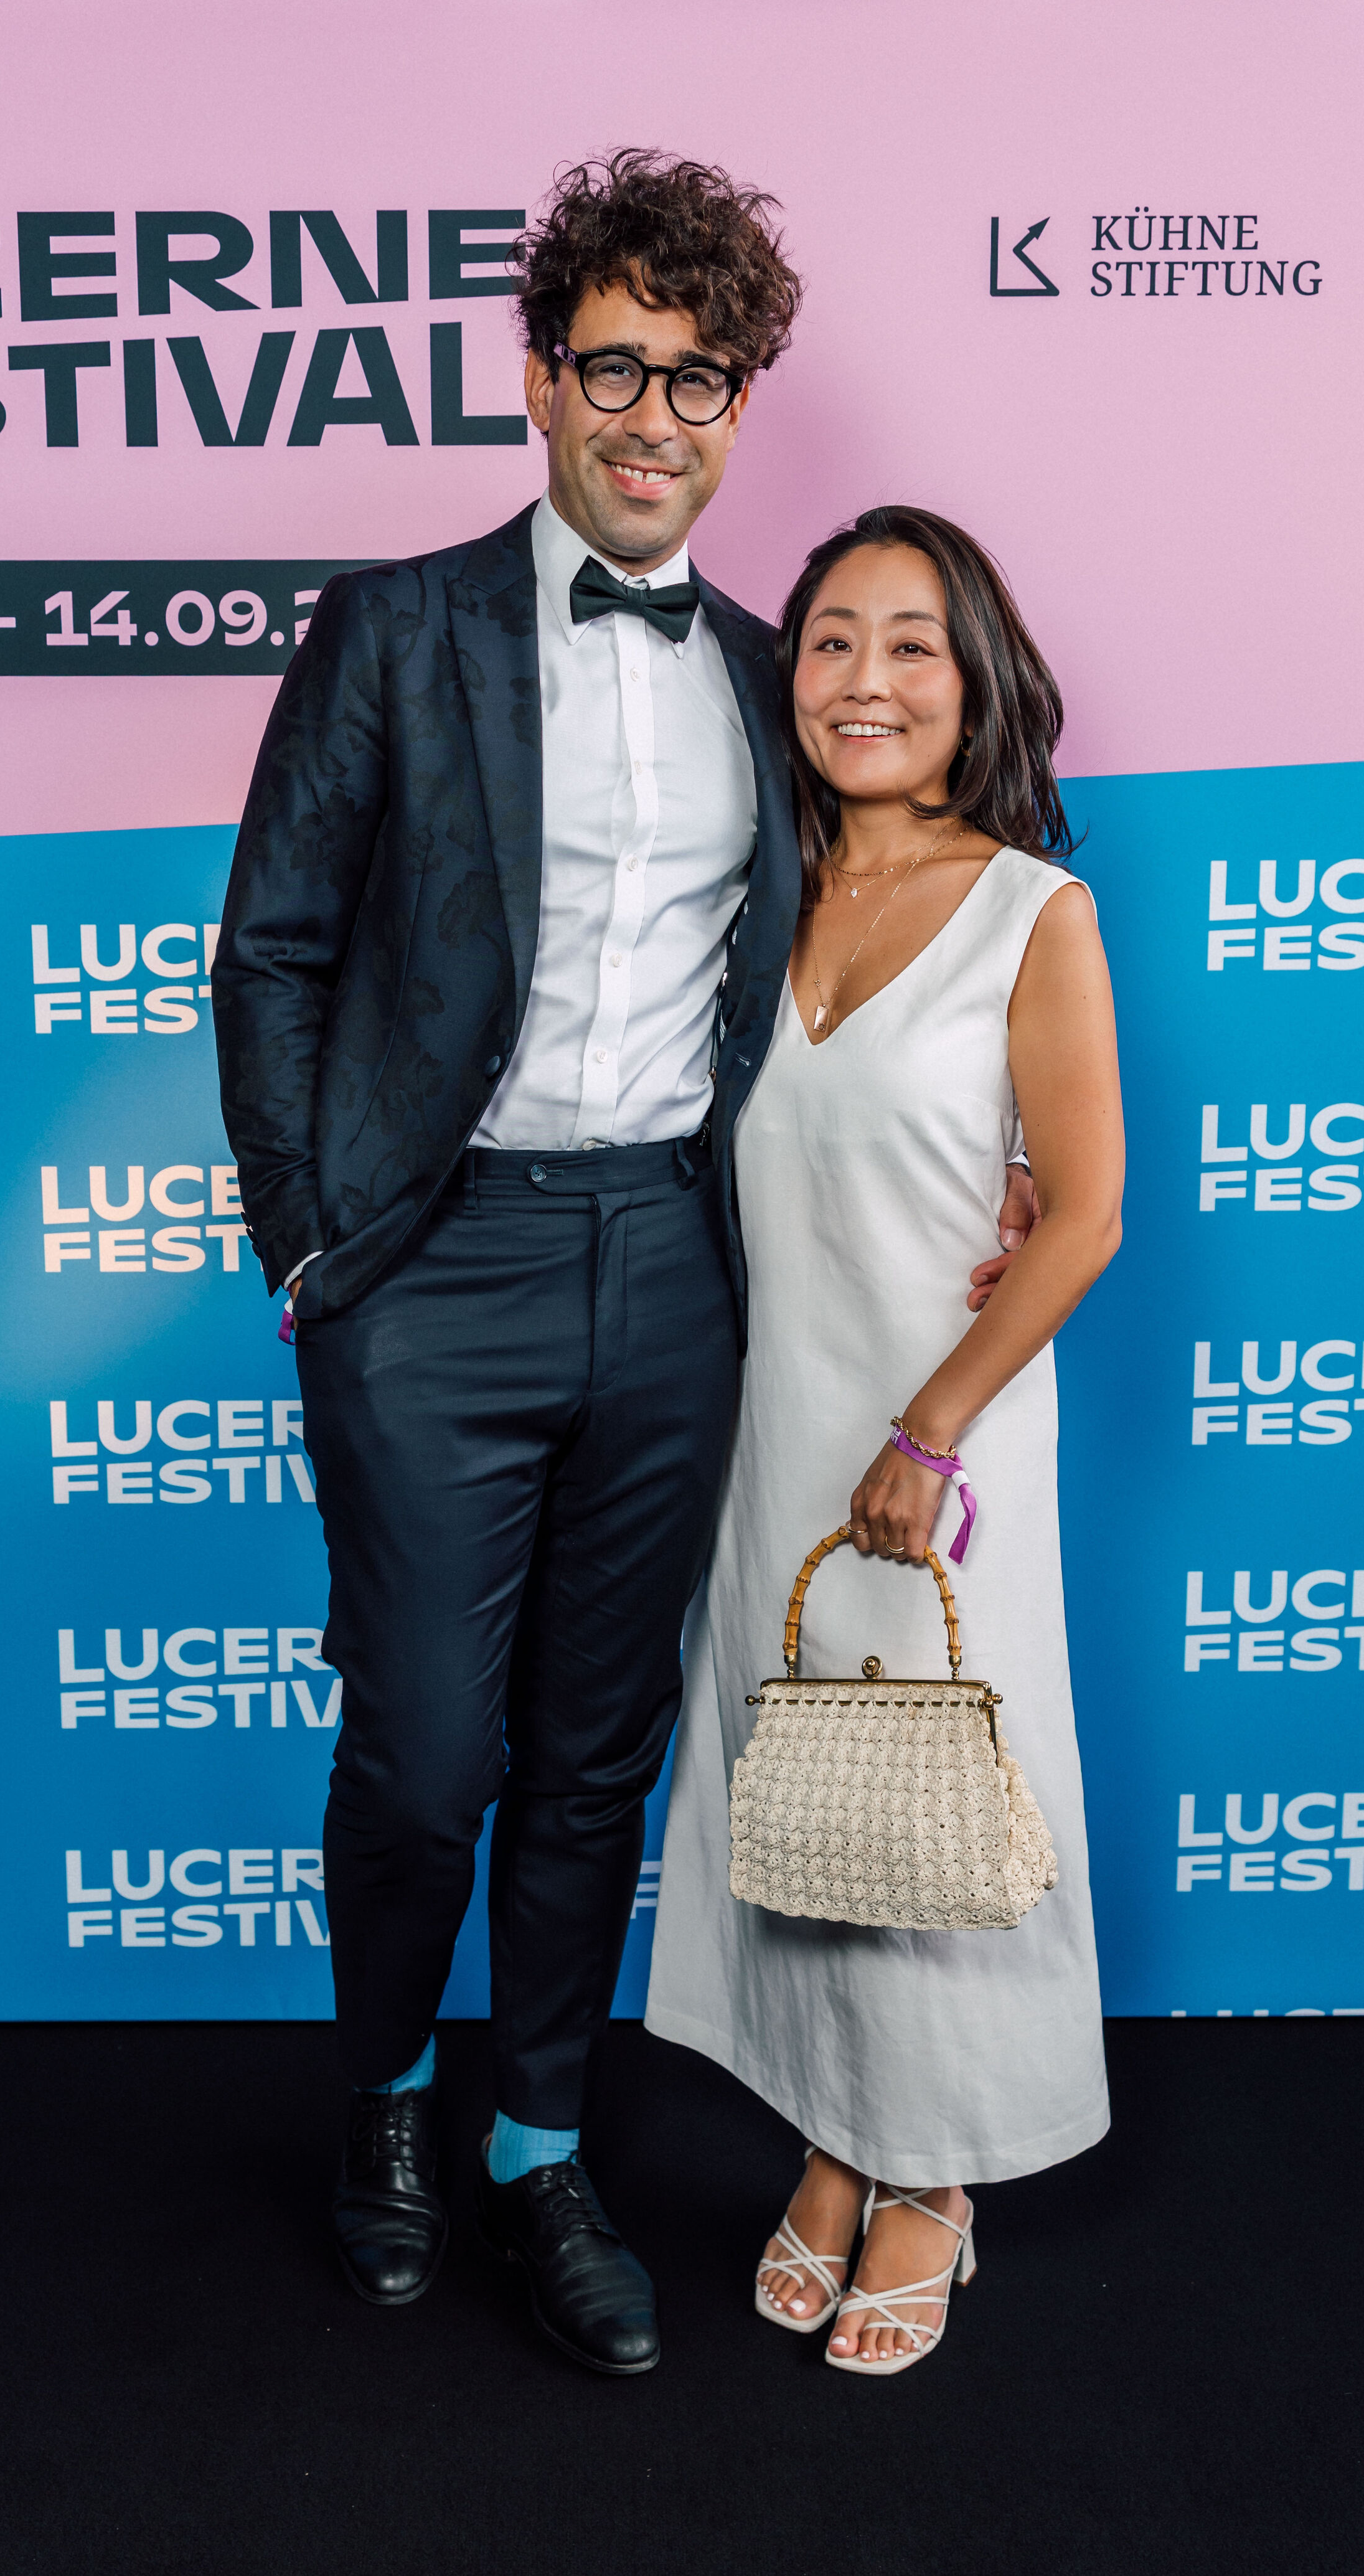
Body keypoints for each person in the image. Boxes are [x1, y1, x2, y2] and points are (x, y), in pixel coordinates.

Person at [214, 157, 1028, 2377]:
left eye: (699, 377)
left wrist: (1004, 1158)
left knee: (597, 1755)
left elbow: (892, 945)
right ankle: (390, 2102)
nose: (653, 416)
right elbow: (272, 951)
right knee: (424, 1756)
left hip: (679, 1266)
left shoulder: (778, 679)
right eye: (615, 367)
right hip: (431, 1265)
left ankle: (539, 2144)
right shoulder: (396, 630)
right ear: (542, 376)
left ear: (742, 405)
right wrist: (313, 1246)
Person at [646, 505, 1123, 2375]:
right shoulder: (748, 903)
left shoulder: (1031, 911)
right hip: (766, 1427)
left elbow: (1083, 1213)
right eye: (832, 640)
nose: (866, 679)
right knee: (808, 1796)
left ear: (974, 680)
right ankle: (840, 2134)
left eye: (912, 644)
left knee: (940, 1798)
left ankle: (939, 2178)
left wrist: (930, 1431)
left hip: (946, 1441)